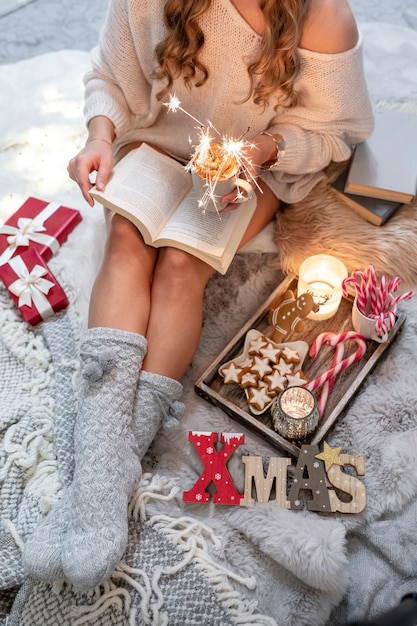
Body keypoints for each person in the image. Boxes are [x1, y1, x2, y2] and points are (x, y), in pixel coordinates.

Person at [23, 0, 374, 591]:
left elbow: (335, 132)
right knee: (126, 246)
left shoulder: (325, 16)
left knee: (184, 264)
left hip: (251, 167)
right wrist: (100, 136)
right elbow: (110, 76)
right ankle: (105, 471)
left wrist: (258, 153)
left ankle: (99, 482)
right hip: (158, 148)